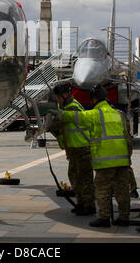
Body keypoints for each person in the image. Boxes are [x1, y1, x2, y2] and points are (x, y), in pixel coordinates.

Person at [47, 83, 130, 227]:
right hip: (122, 159)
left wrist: (57, 113)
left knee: (101, 188)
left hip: (104, 159)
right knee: (121, 189)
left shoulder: (94, 114)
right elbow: (128, 138)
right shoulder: (119, 114)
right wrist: (128, 157)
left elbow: (76, 117)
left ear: (94, 99)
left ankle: (103, 218)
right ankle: (124, 217)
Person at [51, 83, 95, 216]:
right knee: (74, 178)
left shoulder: (72, 108)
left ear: (65, 95)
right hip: (73, 150)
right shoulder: (64, 107)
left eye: (58, 97)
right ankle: (81, 203)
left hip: (82, 149)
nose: (57, 100)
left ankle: (89, 206)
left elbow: (56, 124)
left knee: (85, 180)